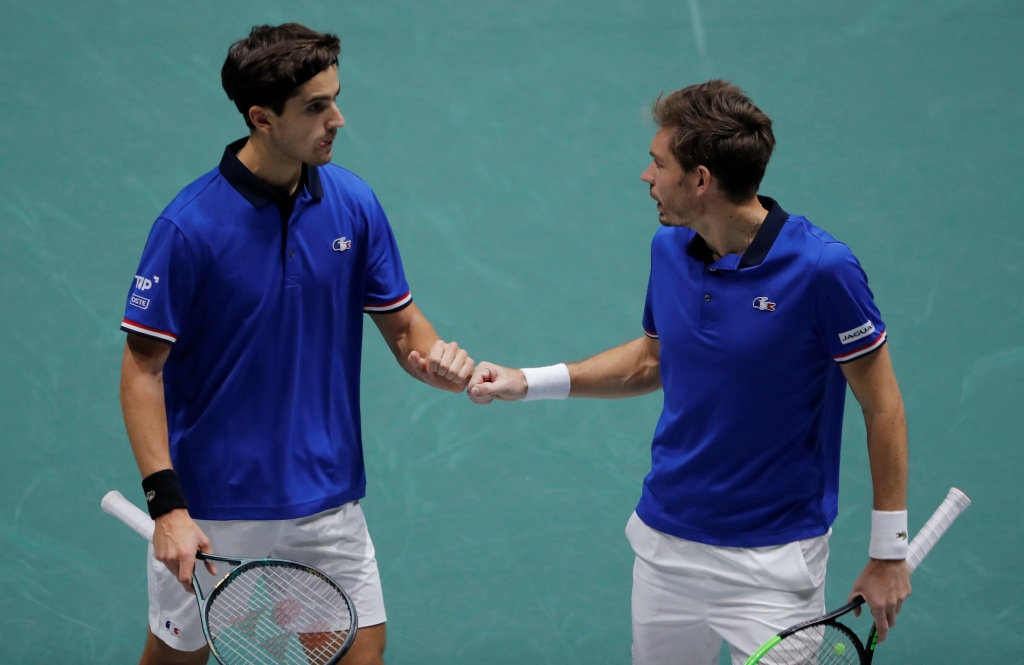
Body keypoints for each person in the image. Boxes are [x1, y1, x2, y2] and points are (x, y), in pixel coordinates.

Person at [467, 80, 911, 665]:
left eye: (659, 163)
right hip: (665, 548)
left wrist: (887, 553)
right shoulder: (670, 249)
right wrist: (529, 381)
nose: (646, 176)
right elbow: (653, 359)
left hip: (773, 563)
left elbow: (882, 405)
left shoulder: (823, 270)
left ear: (700, 180)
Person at [119, 23, 473, 665]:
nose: (337, 119)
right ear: (261, 118)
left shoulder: (354, 203)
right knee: (176, 660)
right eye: (315, 107)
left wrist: (438, 360)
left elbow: (404, 326)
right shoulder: (188, 227)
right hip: (216, 504)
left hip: (325, 494)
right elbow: (143, 369)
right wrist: (167, 507)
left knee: (359, 653)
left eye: (334, 98)